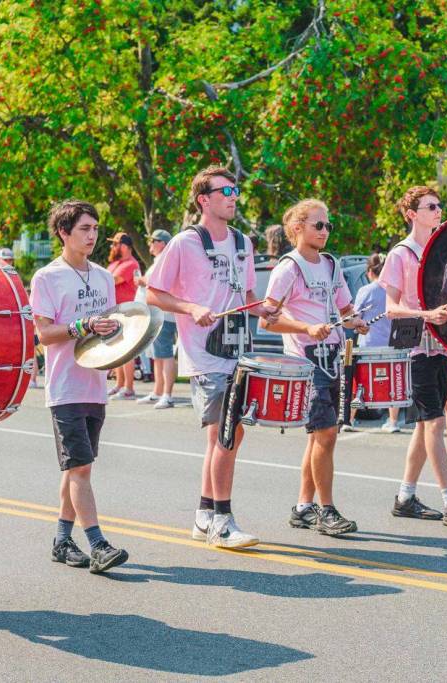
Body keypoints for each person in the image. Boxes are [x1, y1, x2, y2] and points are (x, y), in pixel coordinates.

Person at [147, 165, 281, 549]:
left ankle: (204, 516)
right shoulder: (184, 243)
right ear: (204, 199)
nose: (233, 196)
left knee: (228, 435)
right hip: (205, 355)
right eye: (225, 191)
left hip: (239, 349)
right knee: (225, 434)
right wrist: (190, 308)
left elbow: (244, 296)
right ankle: (222, 519)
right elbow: (153, 292)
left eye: (235, 190)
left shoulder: (242, 242)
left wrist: (262, 310)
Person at [30, 200, 129, 574]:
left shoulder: (104, 276)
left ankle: (61, 540)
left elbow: (114, 324)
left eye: (95, 228)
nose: (92, 235)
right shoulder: (47, 278)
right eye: (85, 228)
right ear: (64, 233)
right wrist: (82, 326)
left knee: (76, 471)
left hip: (95, 385)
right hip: (65, 388)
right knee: (81, 469)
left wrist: (121, 334)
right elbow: (42, 334)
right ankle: (98, 544)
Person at [261, 199, 366, 536]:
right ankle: (327, 510)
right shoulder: (288, 268)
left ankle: (304, 507)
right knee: (326, 435)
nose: (325, 231)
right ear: (297, 229)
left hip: (333, 356)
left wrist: (357, 322)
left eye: (327, 225)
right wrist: (305, 328)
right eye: (318, 225)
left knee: (319, 438)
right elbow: (268, 320)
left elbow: (345, 308)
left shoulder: (331, 265)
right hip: (306, 361)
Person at [380, 185, 447, 529]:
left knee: (425, 425)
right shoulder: (400, 254)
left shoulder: (442, 252)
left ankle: (405, 497)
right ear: (412, 214)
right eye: (431, 206)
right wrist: (426, 314)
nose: (438, 211)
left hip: (441, 345)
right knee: (435, 423)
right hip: (415, 348)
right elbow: (391, 308)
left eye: (439, 206)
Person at [343, 252, 402, 433]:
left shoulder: (365, 291)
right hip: (391, 344)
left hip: (369, 344)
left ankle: (350, 420)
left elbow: (356, 317)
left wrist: (357, 326)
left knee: (360, 382)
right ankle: (392, 422)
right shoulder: (395, 292)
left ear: (369, 271)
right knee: (392, 383)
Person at [135, 229, 177, 409]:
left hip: (164, 314)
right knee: (159, 356)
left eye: (153, 241)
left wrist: (143, 281)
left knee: (165, 355)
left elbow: (155, 284)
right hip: (158, 314)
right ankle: (158, 391)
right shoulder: (159, 261)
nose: (150, 244)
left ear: (162, 243)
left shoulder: (165, 261)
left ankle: (167, 394)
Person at [106, 232, 141, 400]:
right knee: (117, 350)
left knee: (126, 352)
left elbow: (111, 280)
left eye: (115, 244)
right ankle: (119, 384)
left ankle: (129, 387)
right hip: (116, 312)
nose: (112, 247)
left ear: (125, 247)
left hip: (126, 312)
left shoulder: (130, 264)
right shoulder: (117, 263)